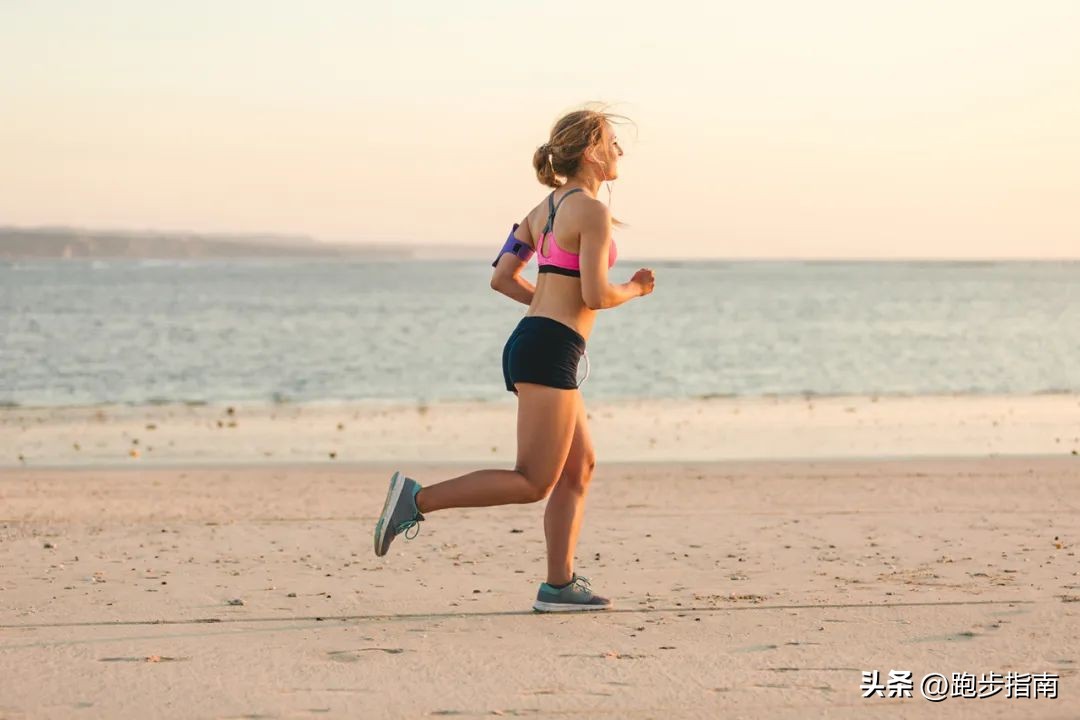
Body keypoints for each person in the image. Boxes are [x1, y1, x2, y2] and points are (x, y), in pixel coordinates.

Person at [373, 107, 656, 612]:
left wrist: (549, 308)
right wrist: (634, 288)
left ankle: (559, 585)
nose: (619, 152)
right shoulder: (591, 212)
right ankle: (414, 501)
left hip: (537, 340)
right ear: (591, 152)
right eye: (613, 142)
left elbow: (502, 277)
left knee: (579, 467)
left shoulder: (541, 210)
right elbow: (594, 295)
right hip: (549, 347)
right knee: (533, 480)